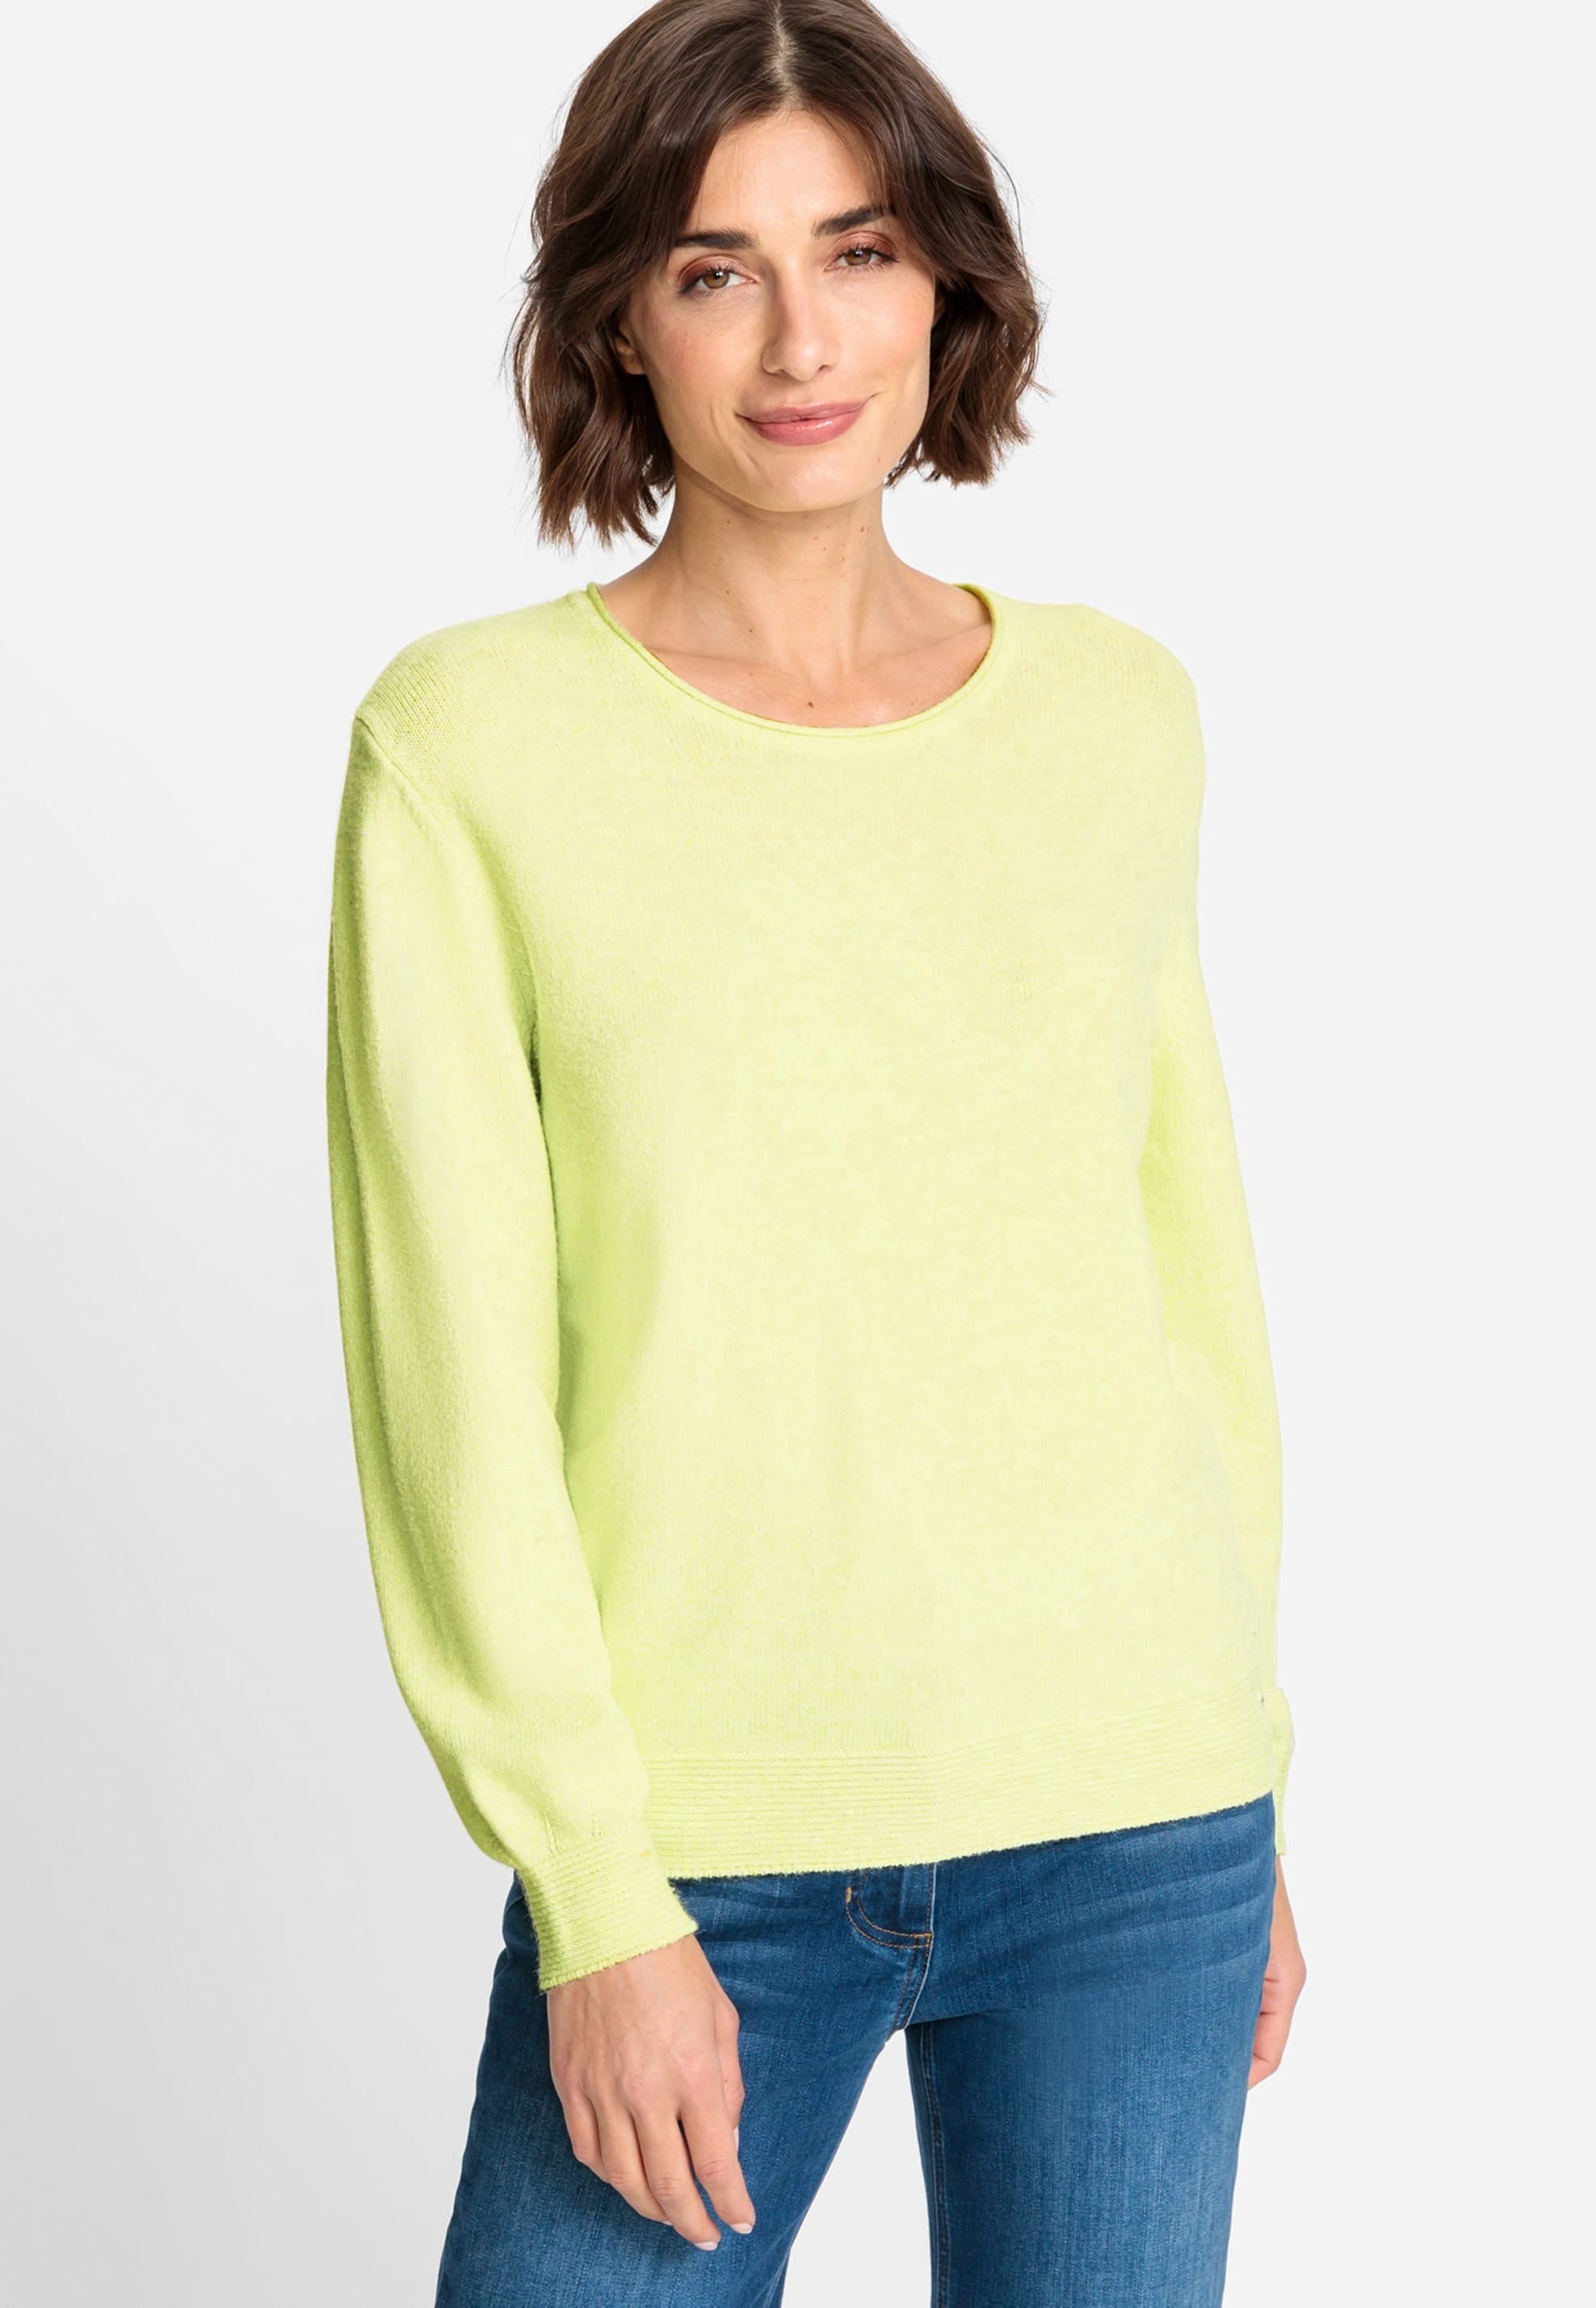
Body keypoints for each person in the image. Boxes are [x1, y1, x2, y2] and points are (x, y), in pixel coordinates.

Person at [324, 1, 1307, 2299]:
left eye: (857, 251)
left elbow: (1183, 1274)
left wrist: (1242, 1765)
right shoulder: (470, 748)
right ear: (619, 319)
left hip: (1139, 1817)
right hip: (702, 1854)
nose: (800, 339)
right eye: (715, 269)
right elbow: (449, 1377)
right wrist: (594, 1889)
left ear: (944, 281)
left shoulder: (1115, 714)